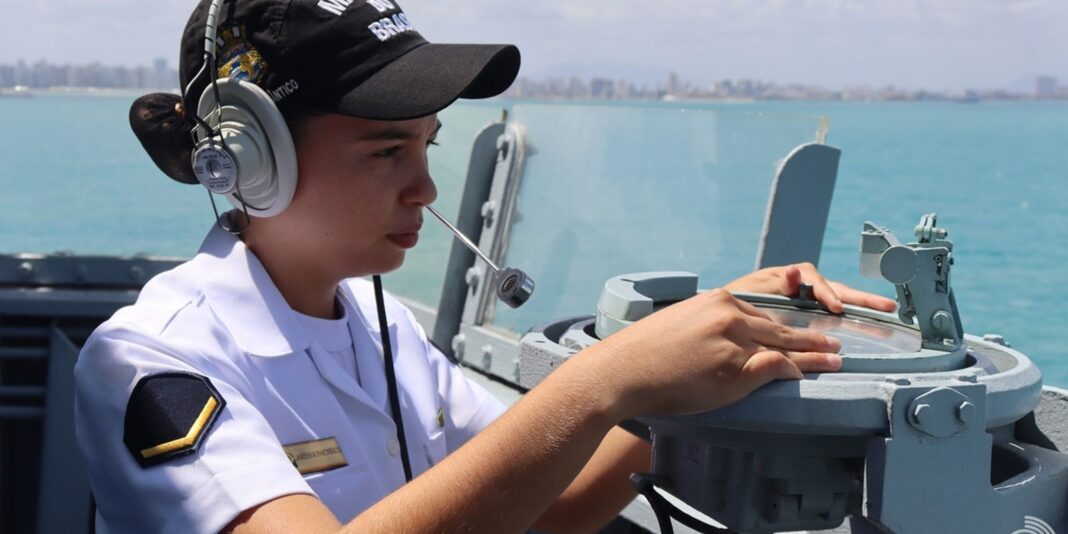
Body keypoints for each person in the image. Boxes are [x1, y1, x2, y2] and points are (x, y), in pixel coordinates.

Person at [74, 0, 897, 532]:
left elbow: (549, 504)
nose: (425, 187)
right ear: (250, 159)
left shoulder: (380, 327)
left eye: (429, 145)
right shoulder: (153, 359)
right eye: (386, 150)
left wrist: (706, 353)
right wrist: (606, 380)